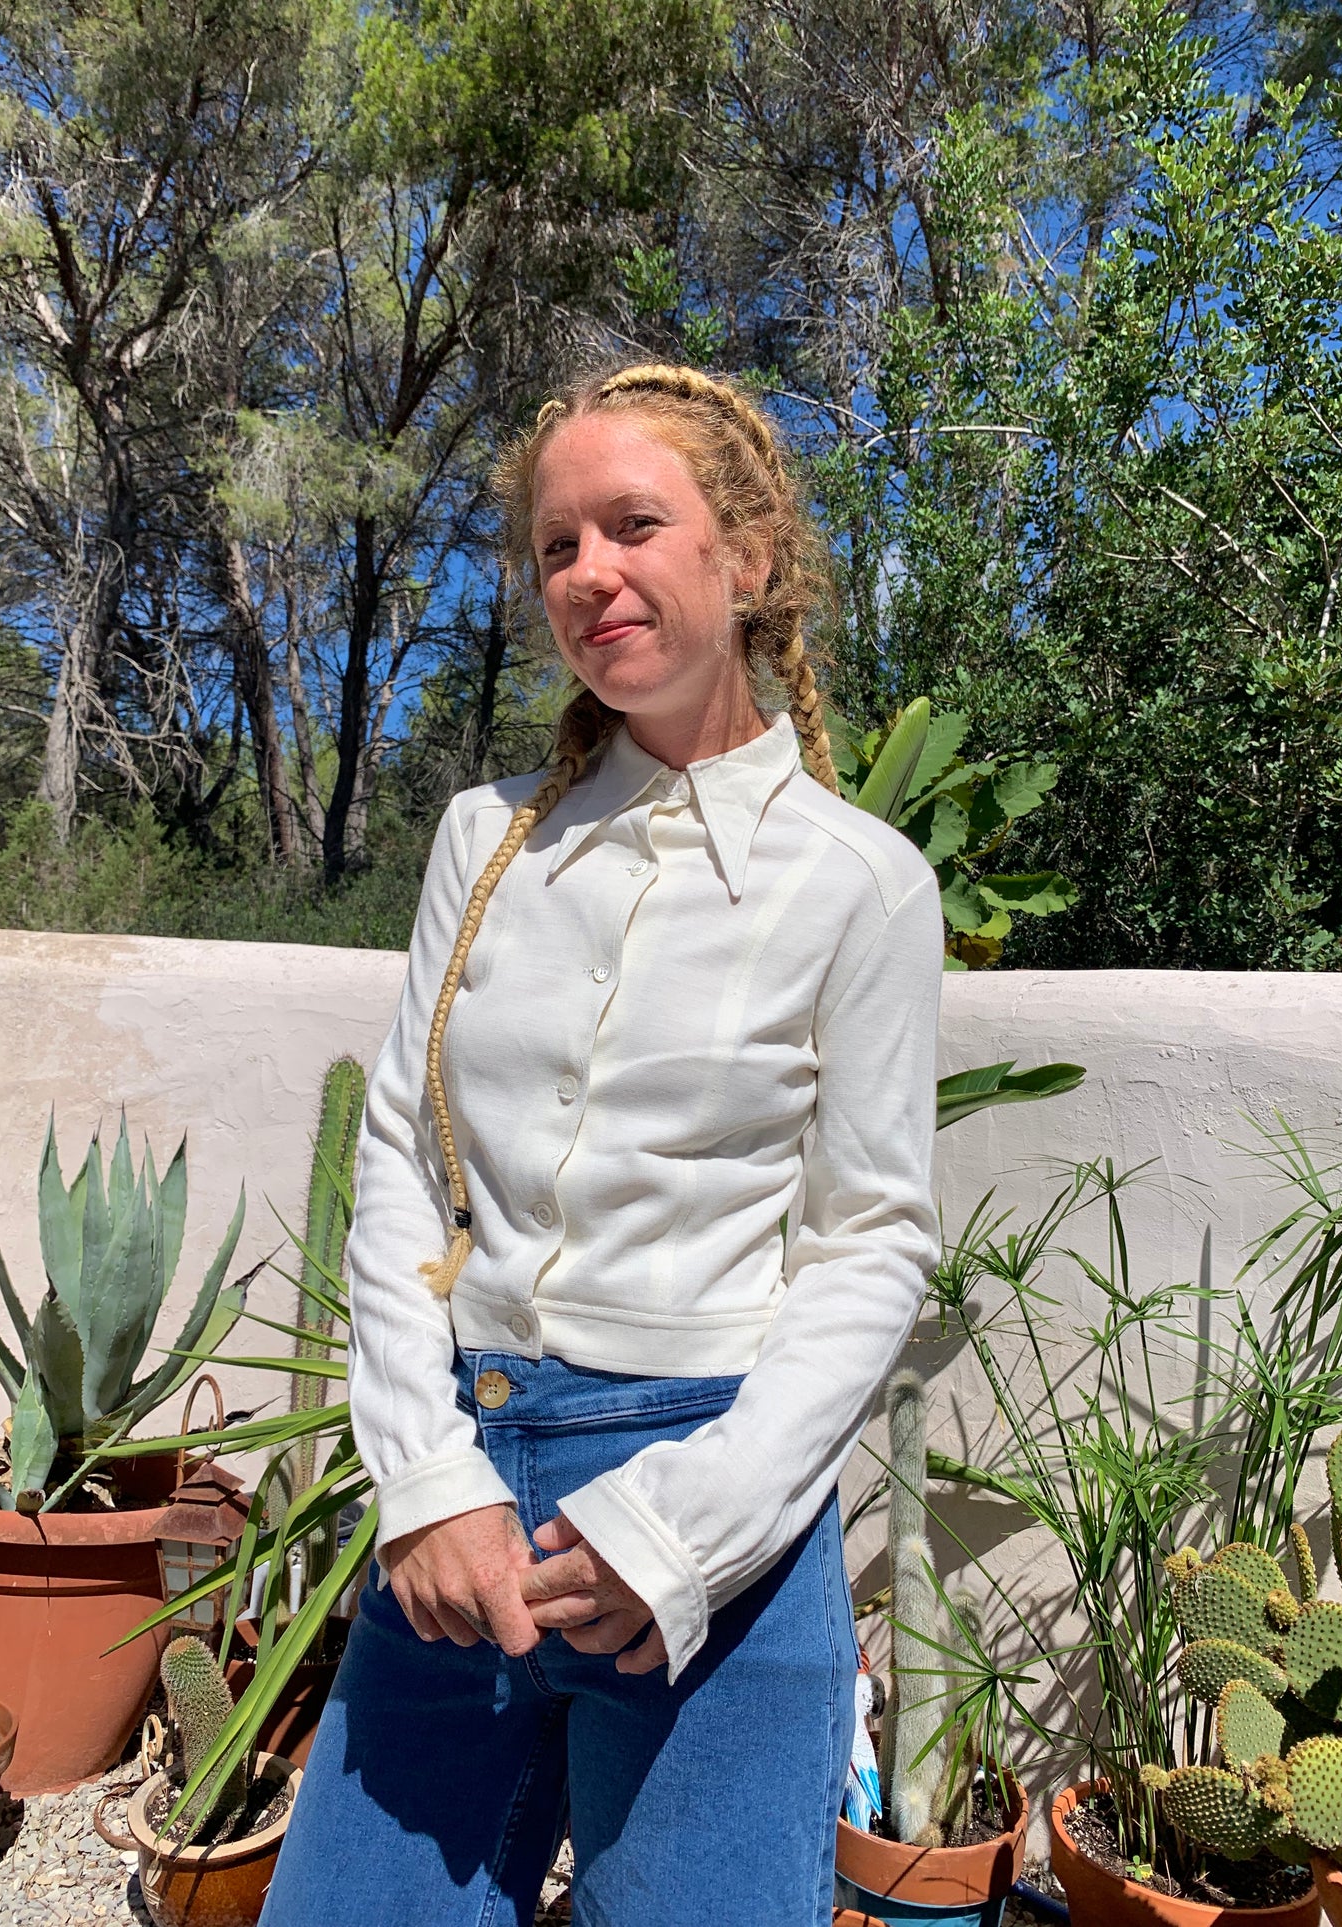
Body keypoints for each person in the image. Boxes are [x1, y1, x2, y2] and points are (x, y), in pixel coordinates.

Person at [261, 362, 944, 1926]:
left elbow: (871, 1242)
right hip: (460, 1512)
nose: (589, 575)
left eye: (633, 525)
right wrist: (426, 1480)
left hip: (714, 1524)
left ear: (749, 556)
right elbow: (397, 1164)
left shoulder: (860, 883)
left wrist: (683, 1529)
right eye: (556, 546)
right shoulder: (482, 841)